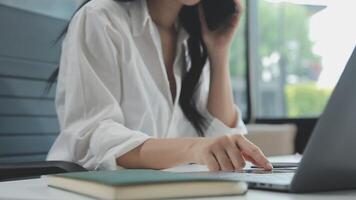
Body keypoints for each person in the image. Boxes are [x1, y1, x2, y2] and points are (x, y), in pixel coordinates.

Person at [47, 0, 273, 172]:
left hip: (158, 190)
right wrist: (193, 148)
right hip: (87, 189)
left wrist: (219, 53)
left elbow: (222, 140)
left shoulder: (192, 41)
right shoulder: (100, 17)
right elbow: (92, 137)